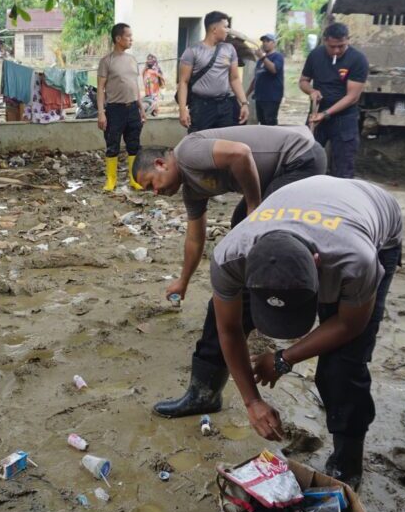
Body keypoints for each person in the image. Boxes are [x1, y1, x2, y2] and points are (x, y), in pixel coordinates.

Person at [211, 175, 402, 488]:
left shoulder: (357, 259)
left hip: (374, 216)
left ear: (316, 263)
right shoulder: (230, 255)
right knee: (220, 314)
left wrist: (283, 359)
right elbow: (228, 328)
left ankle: (347, 461)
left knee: (343, 363)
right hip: (312, 210)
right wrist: (252, 401)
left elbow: (349, 324)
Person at [132, 125, 327, 418]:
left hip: (299, 162)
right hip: (280, 171)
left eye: (151, 185)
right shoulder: (192, 190)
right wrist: (183, 281)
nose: (156, 193)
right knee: (241, 235)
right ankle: (210, 380)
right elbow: (195, 238)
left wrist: (254, 207)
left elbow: (241, 153)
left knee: (250, 262)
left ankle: (249, 317)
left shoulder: (187, 151)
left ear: (161, 163)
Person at [300, 22, 369, 178]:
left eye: (341, 46)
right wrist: (311, 91)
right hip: (316, 117)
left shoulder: (358, 60)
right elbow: (303, 81)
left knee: (343, 168)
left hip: (344, 119)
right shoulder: (315, 55)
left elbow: (352, 97)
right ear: (325, 40)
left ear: (348, 40)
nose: (337, 51)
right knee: (307, 161)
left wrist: (326, 114)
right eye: (332, 47)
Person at [177, 11, 250, 133]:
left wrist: (244, 103)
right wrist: (182, 110)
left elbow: (235, 79)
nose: (228, 31)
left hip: (225, 105)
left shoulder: (229, 49)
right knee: (200, 140)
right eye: (225, 27)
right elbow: (183, 82)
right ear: (214, 29)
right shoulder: (193, 51)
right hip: (201, 107)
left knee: (227, 139)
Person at [97, 23, 145, 192]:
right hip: (114, 110)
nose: (131, 39)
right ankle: (111, 180)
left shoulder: (132, 60)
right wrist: (101, 113)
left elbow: (135, 86)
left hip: (132, 109)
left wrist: (141, 108)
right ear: (118, 38)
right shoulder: (106, 61)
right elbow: (100, 89)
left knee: (134, 145)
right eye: (128, 36)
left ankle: (134, 179)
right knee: (112, 145)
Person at [248, 34, 284, 126]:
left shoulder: (278, 56)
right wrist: (246, 94)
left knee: (270, 122)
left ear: (274, 43)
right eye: (263, 41)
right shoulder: (260, 61)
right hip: (260, 97)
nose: (265, 43)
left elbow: (274, 69)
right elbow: (256, 78)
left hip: (271, 97)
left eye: (268, 41)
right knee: (262, 123)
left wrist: (262, 57)